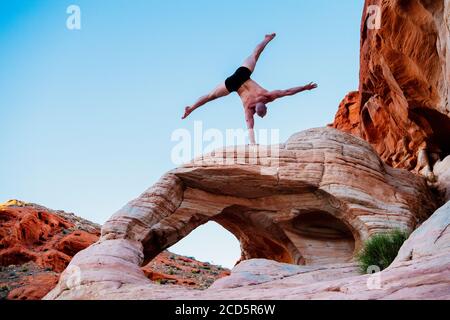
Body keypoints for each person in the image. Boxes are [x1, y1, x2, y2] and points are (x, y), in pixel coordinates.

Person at [182, 33, 318, 145]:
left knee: (210, 96)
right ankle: (267, 39)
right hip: (241, 77)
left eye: (259, 113)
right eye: (262, 112)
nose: (259, 111)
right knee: (255, 55)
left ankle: (191, 108)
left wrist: (252, 143)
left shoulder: (251, 107)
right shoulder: (267, 97)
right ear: (265, 107)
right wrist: (304, 88)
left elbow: (250, 125)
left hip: (234, 82)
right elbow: (287, 92)